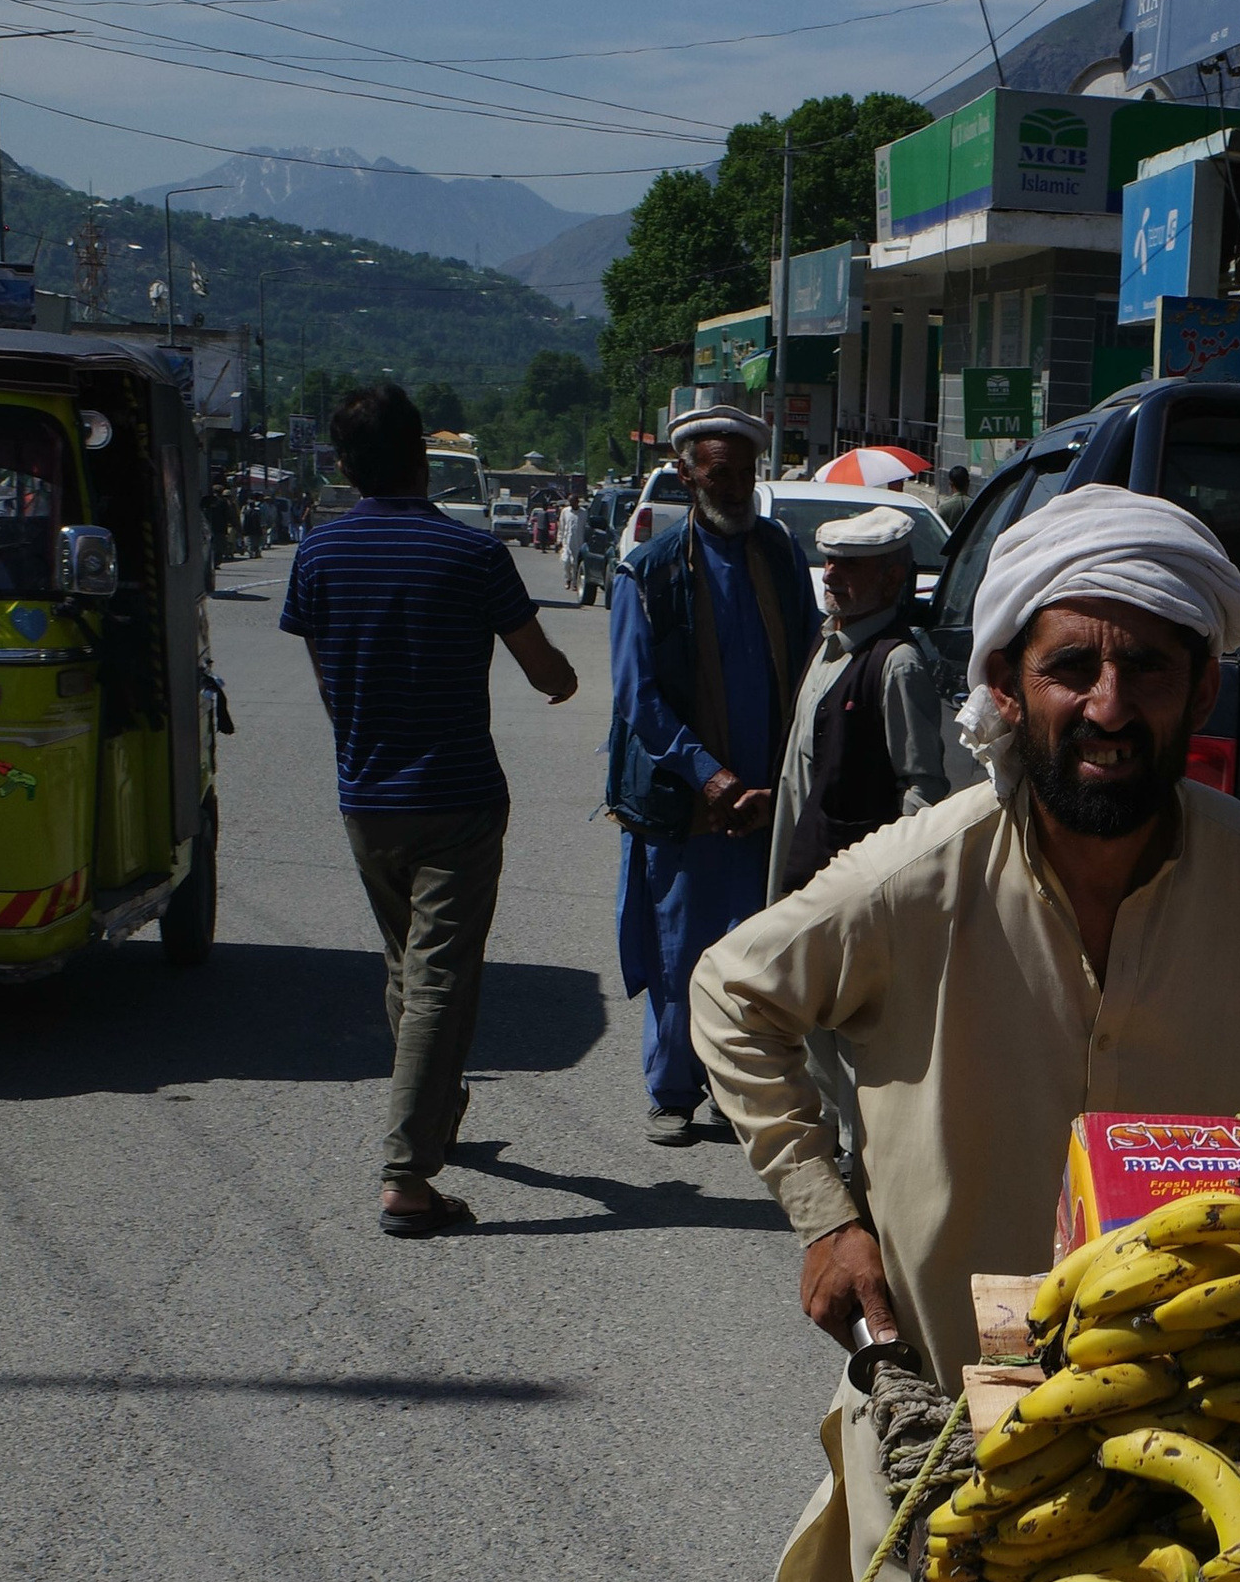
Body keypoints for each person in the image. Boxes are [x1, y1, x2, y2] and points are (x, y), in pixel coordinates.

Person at [690, 484, 1240, 1582]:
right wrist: (824, 1210)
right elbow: (733, 993)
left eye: (1146, 667)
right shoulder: (918, 874)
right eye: (1070, 664)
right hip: (944, 1425)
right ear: (1008, 688)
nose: (1109, 705)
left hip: (1192, 1429)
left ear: (1202, 690)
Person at [282, 378, 580, 1238]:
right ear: (422, 457)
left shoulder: (319, 554)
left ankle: (436, 1110)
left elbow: (328, 683)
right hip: (458, 796)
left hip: (366, 796)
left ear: (345, 466)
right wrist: (562, 682)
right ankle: (407, 1174)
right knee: (441, 975)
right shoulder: (475, 557)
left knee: (404, 963)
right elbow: (545, 671)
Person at [605, 404, 815, 1147]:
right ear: (688, 474)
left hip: (765, 796)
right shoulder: (649, 569)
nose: (734, 488)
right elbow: (637, 697)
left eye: (745, 474)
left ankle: (735, 1087)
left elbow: (809, 660)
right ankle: (672, 1087)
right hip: (686, 798)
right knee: (678, 946)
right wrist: (710, 778)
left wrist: (780, 776)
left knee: (755, 948)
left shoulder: (782, 556)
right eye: (718, 474)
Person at [767, 502, 946, 898]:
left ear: (891, 577)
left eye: (848, 565)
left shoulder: (897, 663)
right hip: (795, 860)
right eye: (829, 561)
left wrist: (898, 884)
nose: (830, 575)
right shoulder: (828, 638)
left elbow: (921, 789)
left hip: (844, 883)